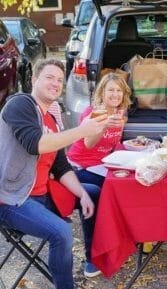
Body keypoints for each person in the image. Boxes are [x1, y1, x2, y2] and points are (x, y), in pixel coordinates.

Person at [0, 59, 109, 289]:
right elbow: (34, 144)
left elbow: (60, 167)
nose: (55, 83)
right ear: (34, 79)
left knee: (94, 192)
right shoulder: (19, 105)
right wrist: (81, 131)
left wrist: (82, 194)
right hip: (13, 199)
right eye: (49, 77)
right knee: (61, 233)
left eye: (60, 80)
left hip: (42, 196)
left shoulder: (52, 118)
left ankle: (92, 259)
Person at [67, 73, 131, 188]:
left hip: (100, 165)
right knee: (116, 185)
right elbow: (88, 144)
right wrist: (105, 125)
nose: (115, 94)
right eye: (111, 90)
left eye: (119, 90)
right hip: (79, 166)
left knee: (128, 177)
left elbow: (114, 145)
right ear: (102, 93)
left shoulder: (120, 113)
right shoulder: (94, 113)